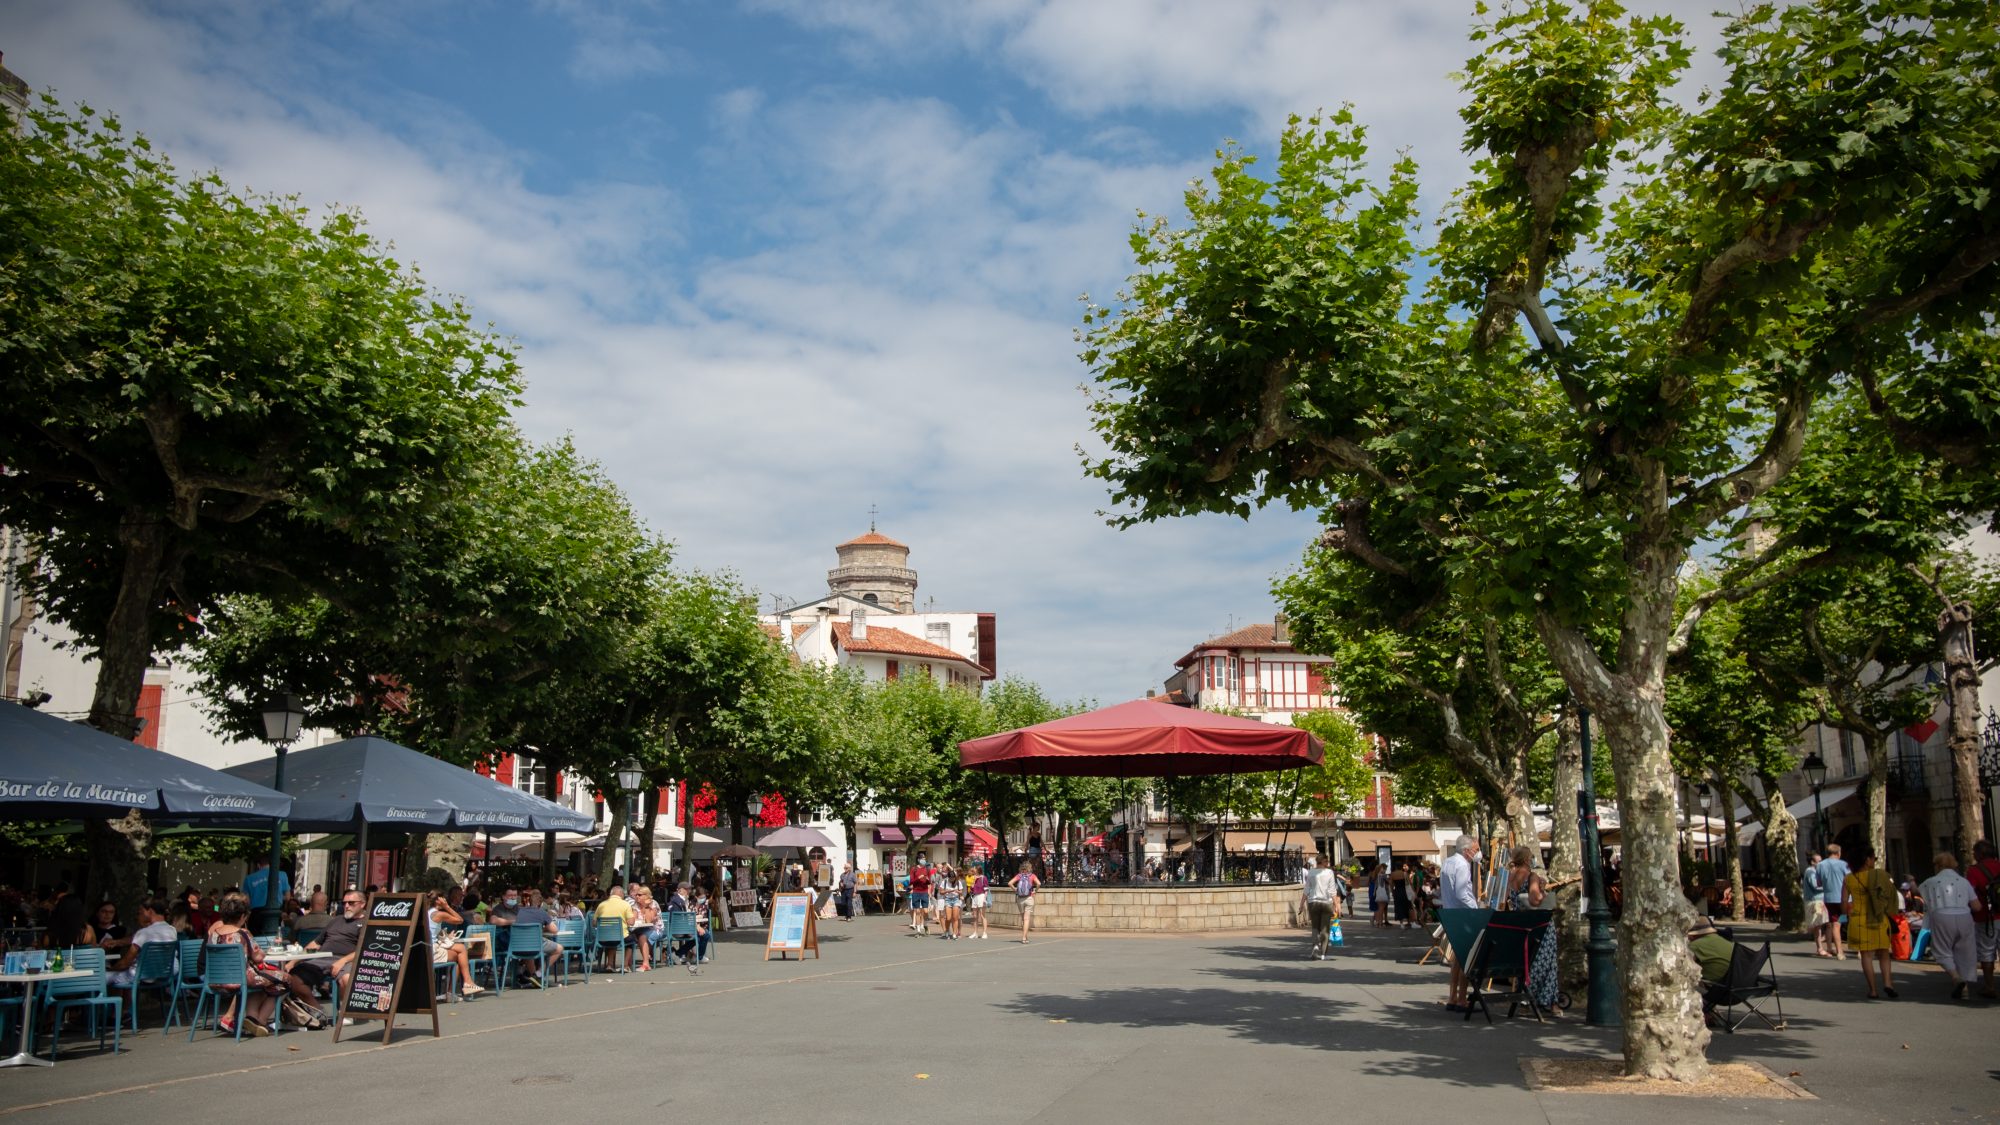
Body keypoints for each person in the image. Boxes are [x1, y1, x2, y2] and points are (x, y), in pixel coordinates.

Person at [1918, 852, 1979, 1000]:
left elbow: (1921, 894)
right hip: (1964, 916)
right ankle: (1965, 987)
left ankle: (1956, 978)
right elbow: (1976, 906)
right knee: (1965, 951)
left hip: (1942, 916)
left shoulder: (1930, 882)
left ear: (1937, 866)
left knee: (1942, 950)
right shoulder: (1964, 882)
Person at [1842, 844, 1897, 999]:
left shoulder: (1849, 879)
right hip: (1878, 917)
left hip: (1859, 918)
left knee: (1866, 956)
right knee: (1884, 953)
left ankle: (1873, 990)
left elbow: (1844, 902)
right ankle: (1888, 983)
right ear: (1867, 860)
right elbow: (1889, 895)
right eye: (1874, 858)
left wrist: (1844, 916)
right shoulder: (1880, 875)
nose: (1874, 861)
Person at [293, 890, 365, 1000]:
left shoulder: (366, 923)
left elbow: (365, 950)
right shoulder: (335, 920)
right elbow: (316, 943)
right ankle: (316, 1009)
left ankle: (344, 1014)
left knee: (347, 979)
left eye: (351, 903)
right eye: (344, 903)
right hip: (322, 958)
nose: (346, 906)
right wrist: (293, 962)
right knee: (294, 977)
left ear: (362, 904)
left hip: (347, 960)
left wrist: (343, 961)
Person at [1438, 835, 1481, 1013]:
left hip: (1450, 912)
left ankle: (1452, 997)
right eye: (1476, 849)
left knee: (1456, 960)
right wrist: (1476, 910)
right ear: (1467, 850)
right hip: (1463, 915)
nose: (1478, 853)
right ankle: (1461, 999)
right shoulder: (1462, 865)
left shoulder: (1447, 862)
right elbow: (1462, 893)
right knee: (1465, 959)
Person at [105, 897, 177, 990]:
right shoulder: (172, 930)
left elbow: (125, 963)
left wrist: (110, 969)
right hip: (160, 975)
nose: (140, 914)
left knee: (102, 977)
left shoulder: (144, 933)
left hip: (138, 976)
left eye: (141, 911)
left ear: (150, 911)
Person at [427, 890, 484, 997]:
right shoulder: (439, 914)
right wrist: (447, 907)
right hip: (433, 951)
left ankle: (457, 989)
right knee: (461, 951)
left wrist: (446, 936)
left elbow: (432, 931)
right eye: (444, 899)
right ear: (439, 901)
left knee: (460, 953)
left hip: (430, 948)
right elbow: (459, 920)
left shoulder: (428, 912)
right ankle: (462, 986)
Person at [1965, 839, 2000, 1000]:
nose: (1973, 855)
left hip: (1986, 917)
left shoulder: (1974, 871)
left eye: (1974, 852)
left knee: (1987, 951)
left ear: (1980, 853)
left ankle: (1990, 986)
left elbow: (1970, 893)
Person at [511, 889, 561, 987]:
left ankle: (534, 977)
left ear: (529, 901)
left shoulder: (519, 911)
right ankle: (539, 973)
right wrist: (545, 925)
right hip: (535, 945)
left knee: (528, 950)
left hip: (517, 946)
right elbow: (554, 930)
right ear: (540, 902)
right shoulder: (541, 912)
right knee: (559, 948)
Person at [1299, 854, 1341, 961]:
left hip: (1313, 902)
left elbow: (1306, 889)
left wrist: (1301, 904)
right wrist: (1336, 905)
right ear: (1322, 861)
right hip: (1326, 902)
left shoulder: (1311, 872)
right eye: (1326, 861)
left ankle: (1315, 946)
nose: (1328, 864)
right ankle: (1323, 954)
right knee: (1325, 928)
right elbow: (1332, 890)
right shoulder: (1329, 872)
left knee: (1314, 927)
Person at [1814, 844, 1850, 960]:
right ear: (1838, 853)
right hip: (1846, 899)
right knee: (1852, 922)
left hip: (1829, 899)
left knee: (1836, 924)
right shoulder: (1844, 864)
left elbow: (1818, 883)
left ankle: (1840, 952)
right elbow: (1850, 881)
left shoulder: (1820, 865)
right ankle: (1860, 951)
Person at [593, 885, 636, 972]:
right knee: (632, 939)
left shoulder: (602, 904)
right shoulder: (625, 904)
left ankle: (609, 965)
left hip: (602, 938)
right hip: (620, 937)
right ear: (621, 894)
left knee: (612, 939)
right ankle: (625, 965)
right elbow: (631, 922)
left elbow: (594, 923)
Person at [1802, 851, 1829, 953]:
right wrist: (1827, 885)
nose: (1821, 863)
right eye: (1819, 861)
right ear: (1813, 862)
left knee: (1821, 924)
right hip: (1814, 901)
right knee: (1817, 925)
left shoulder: (1815, 871)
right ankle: (1820, 948)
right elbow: (1816, 885)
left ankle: (1822, 946)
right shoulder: (1810, 871)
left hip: (1818, 900)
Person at [1012, 863, 1041, 944]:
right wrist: (1035, 890)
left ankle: (1025, 936)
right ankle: (1024, 937)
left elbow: (1010, 883)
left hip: (1020, 899)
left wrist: (1015, 889)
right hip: (1029, 898)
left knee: (1023, 919)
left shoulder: (1019, 876)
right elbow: (1039, 883)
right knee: (1027, 919)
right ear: (1030, 868)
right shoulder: (1032, 876)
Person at [936, 864, 964, 940]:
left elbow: (961, 892)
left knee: (955, 918)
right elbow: (941, 892)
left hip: (956, 899)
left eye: (953, 878)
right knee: (948, 918)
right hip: (947, 899)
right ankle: (947, 931)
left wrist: (957, 891)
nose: (952, 880)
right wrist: (949, 890)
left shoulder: (958, 882)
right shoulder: (945, 882)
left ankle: (955, 933)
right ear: (948, 877)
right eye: (950, 878)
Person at [908, 858, 933, 936]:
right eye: (922, 859)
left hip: (924, 892)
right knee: (917, 911)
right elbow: (911, 882)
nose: (924, 860)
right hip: (916, 892)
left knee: (925, 911)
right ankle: (918, 930)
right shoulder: (914, 869)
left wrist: (927, 880)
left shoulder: (927, 869)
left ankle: (925, 925)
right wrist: (918, 878)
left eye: (925, 859)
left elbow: (929, 882)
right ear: (919, 860)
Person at [967, 866, 990, 939]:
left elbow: (986, 889)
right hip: (975, 896)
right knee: (975, 916)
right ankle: (975, 933)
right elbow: (971, 888)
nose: (973, 871)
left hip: (981, 896)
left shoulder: (983, 878)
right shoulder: (974, 878)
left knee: (982, 915)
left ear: (978, 870)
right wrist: (973, 881)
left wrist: (984, 898)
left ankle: (984, 933)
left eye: (974, 870)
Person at [1391, 861, 1412, 928]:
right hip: (1404, 891)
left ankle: (1401, 923)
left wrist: (1393, 892)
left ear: (1396, 867)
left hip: (1397, 891)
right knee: (1406, 905)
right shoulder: (1405, 874)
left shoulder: (1392, 874)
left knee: (1399, 906)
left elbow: (1391, 885)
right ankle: (1409, 921)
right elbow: (1409, 883)